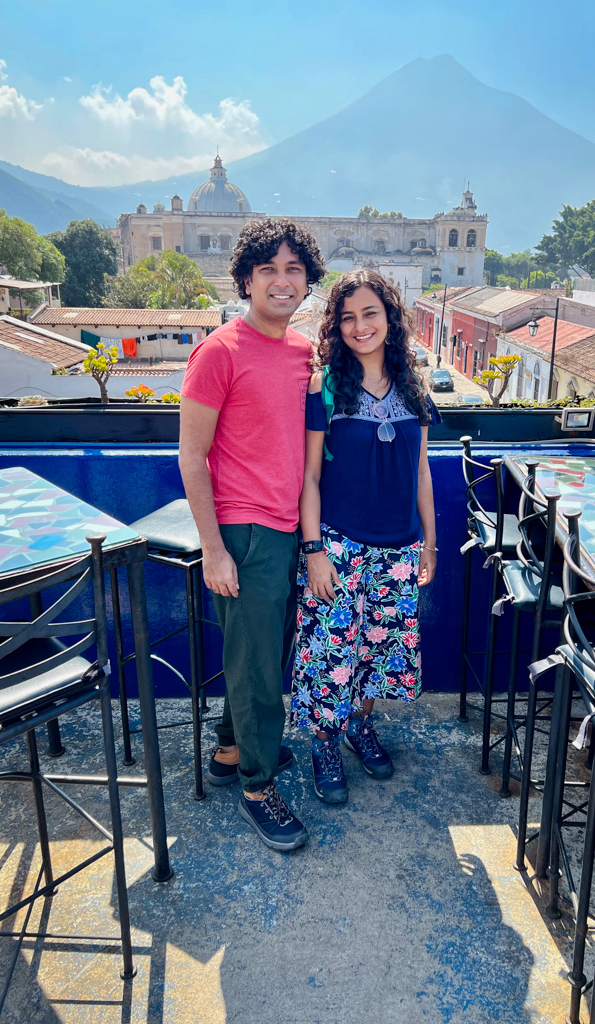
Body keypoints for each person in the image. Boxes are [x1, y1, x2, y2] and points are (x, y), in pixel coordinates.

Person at [179, 219, 325, 851]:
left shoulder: (302, 352)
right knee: (261, 667)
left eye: (293, 269)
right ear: (245, 279)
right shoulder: (219, 351)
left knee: (259, 652)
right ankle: (259, 787)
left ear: (308, 281)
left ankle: (232, 750)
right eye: (268, 269)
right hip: (244, 528)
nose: (282, 280)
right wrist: (214, 547)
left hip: (289, 524)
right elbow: (192, 456)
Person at [292, 269, 438, 804]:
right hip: (339, 545)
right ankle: (324, 743)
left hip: (399, 549)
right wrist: (314, 552)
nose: (359, 326)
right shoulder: (324, 386)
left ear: (389, 318)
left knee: (378, 651)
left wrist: (429, 542)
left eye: (370, 313)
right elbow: (309, 476)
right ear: (337, 325)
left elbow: (422, 471)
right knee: (331, 653)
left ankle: (359, 726)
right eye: (348, 317)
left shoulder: (413, 387)